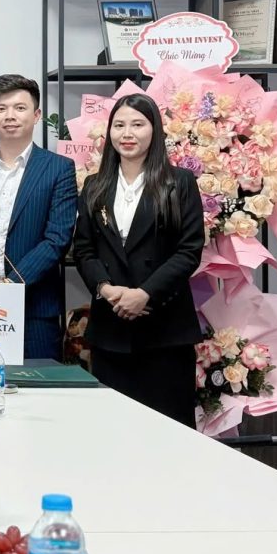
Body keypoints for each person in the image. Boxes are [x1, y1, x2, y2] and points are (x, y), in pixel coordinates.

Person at [73, 93, 204, 427]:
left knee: (169, 431)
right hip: (110, 330)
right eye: (119, 125)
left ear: (154, 130)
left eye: (137, 124)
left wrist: (145, 294)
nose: (127, 133)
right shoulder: (95, 186)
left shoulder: (179, 183)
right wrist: (106, 289)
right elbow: (84, 249)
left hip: (165, 331)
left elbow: (189, 250)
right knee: (113, 430)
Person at [0, 74, 77, 360]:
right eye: (1, 108)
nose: (10, 116)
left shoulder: (59, 169)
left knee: (38, 382)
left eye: (20, 108)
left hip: (36, 302)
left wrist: (12, 285)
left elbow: (57, 237)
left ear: (36, 115)